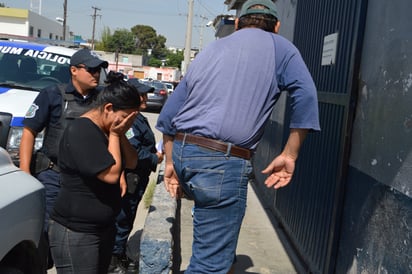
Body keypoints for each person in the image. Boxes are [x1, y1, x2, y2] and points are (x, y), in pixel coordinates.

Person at [155, 0, 321, 273]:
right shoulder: (281, 47)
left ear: (239, 23)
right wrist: (290, 153)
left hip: (185, 152)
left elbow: (170, 112)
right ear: (276, 26)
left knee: (213, 245)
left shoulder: (211, 50)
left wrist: (171, 162)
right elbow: (306, 94)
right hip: (220, 161)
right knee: (209, 266)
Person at [19, 48, 108, 270]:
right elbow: (29, 132)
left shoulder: (103, 99)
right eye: (91, 69)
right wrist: (24, 172)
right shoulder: (51, 94)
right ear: (74, 71)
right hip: (54, 176)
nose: (96, 74)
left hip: (87, 181)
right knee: (47, 234)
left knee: (79, 236)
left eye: (99, 70)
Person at [48, 71, 141, 273]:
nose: (127, 124)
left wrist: (120, 133)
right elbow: (111, 174)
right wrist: (115, 135)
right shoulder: (82, 130)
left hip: (101, 228)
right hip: (77, 232)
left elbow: (132, 162)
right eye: (125, 117)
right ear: (108, 108)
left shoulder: (109, 130)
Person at [108, 81, 164, 274]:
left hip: (138, 177)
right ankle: (113, 260)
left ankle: (119, 253)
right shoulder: (128, 119)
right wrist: (154, 157)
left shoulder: (138, 117)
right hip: (130, 175)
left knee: (128, 217)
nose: (145, 99)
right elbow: (132, 152)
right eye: (141, 95)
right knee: (122, 219)